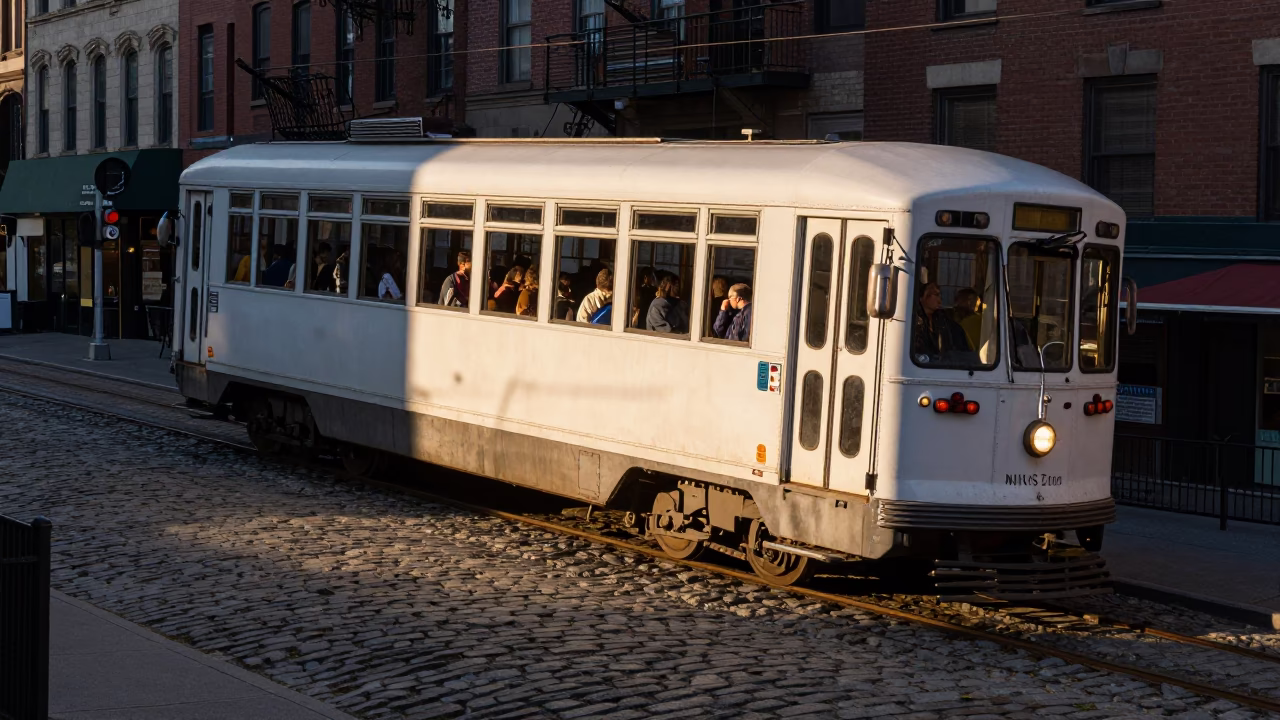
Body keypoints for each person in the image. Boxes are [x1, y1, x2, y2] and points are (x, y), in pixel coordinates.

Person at [912, 282, 971, 362]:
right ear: (922, 297)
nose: (939, 300)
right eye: (936, 295)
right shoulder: (913, 322)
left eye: (940, 296)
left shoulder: (944, 322)